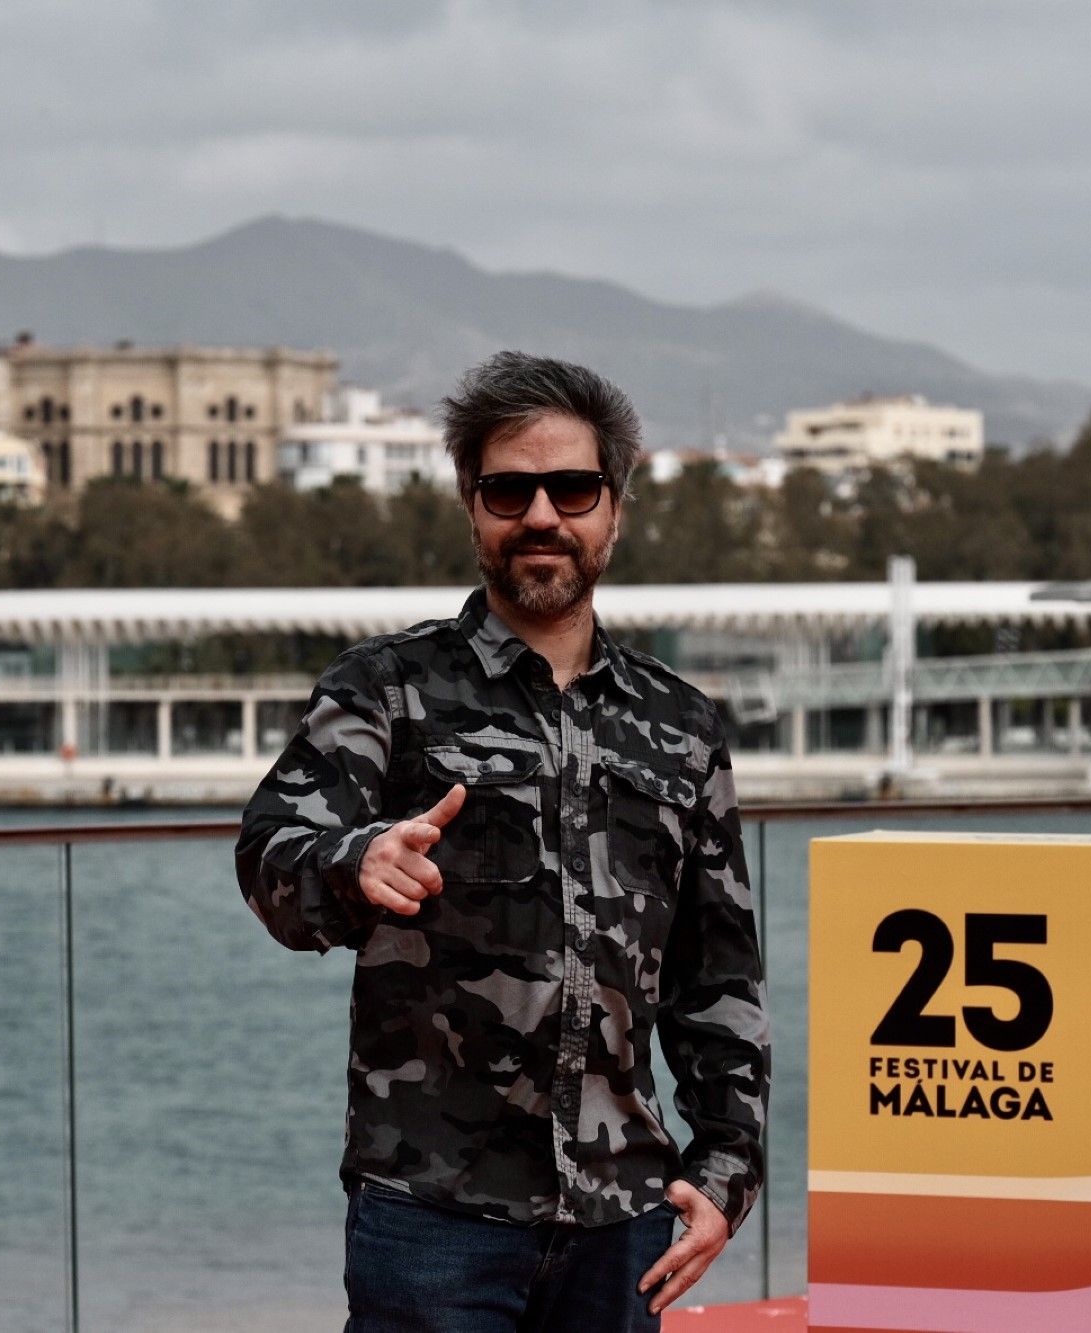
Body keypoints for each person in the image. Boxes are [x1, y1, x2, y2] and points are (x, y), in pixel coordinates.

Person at [235, 350, 768, 1330]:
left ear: (613, 505)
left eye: (571, 488)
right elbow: (271, 853)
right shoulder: (384, 690)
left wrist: (727, 1165)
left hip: (622, 1222)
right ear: (470, 506)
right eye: (507, 490)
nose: (540, 516)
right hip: (433, 1215)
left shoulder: (680, 724)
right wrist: (353, 863)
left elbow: (717, 974)